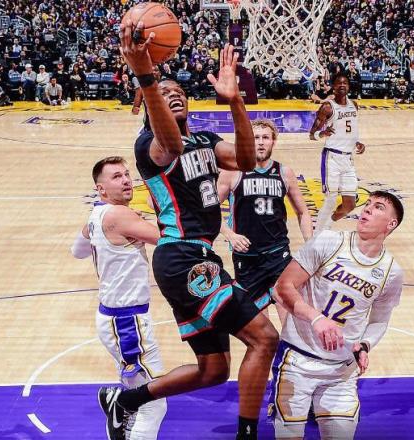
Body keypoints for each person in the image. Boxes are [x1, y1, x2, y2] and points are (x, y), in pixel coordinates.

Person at [99, 21, 279, 440]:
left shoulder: (205, 140)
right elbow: (172, 146)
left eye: (179, 90)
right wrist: (147, 77)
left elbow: (247, 161)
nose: (174, 92)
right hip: (182, 256)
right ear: (149, 104)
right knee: (265, 337)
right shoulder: (148, 145)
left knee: (214, 370)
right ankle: (247, 434)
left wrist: (236, 102)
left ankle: (126, 401)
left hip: (197, 257)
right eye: (165, 93)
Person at [270, 191, 404, 440]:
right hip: (297, 362)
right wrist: (316, 318)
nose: (367, 209)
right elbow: (282, 288)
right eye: (367, 204)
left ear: (391, 224)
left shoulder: (391, 272)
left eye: (378, 207)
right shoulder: (329, 241)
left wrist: (365, 344)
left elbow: (379, 321)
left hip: (342, 373)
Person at [71, 156, 166, 440]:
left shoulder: (97, 215)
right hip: (127, 322)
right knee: (154, 404)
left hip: (114, 317)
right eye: (116, 177)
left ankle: (118, 402)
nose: (126, 180)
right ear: (100, 189)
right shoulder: (119, 215)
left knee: (138, 389)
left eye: (126, 174)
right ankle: (120, 403)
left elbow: (77, 251)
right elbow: (168, 239)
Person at [217, 119, 313, 323]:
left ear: (273, 142)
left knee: (291, 324)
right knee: (261, 330)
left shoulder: (284, 172)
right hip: (247, 259)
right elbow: (208, 210)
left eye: (265, 138)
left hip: (279, 255)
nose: (260, 142)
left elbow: (303, 212)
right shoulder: (233, 171)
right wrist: (229, 234)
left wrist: (310, 245)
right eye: (256, 138)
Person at [309, 74, 366, 234]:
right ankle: (318, 235)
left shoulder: (354, 105)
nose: (342, 85)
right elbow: (312, 134)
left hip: (348, 159)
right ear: (333, 87)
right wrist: (322, 133)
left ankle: (326, 226)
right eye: (338, 83)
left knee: (350, 204)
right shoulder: (327, 107)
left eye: (345, 83)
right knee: (331, 199)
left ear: (349, 86)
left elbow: (350, 130)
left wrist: (357, 143)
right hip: (332, 158)